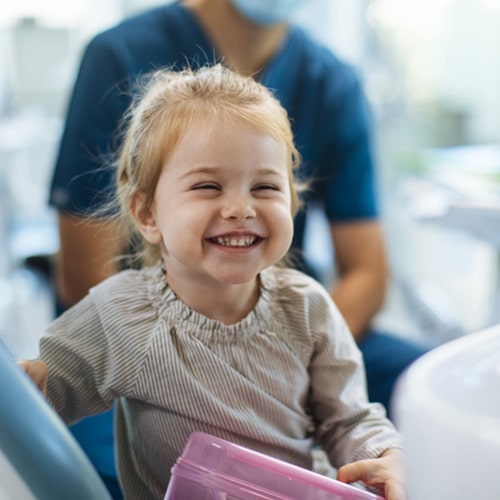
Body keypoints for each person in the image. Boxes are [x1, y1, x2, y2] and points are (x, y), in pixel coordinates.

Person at [48, 0, 425, 496]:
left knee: (424, 394)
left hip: (284, 439)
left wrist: (377, 451)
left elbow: (351, 415)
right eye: (208, 187)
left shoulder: (308, 308)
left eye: (266, 189)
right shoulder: (121, 315)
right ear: (146, 214)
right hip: (148, 378)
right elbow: (41, 386)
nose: (240, 208)